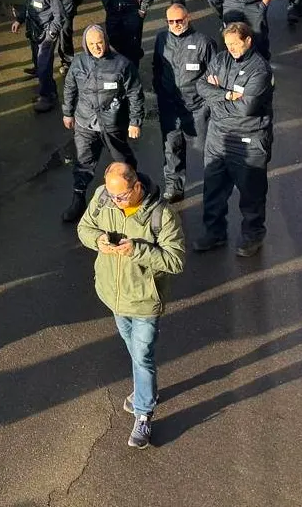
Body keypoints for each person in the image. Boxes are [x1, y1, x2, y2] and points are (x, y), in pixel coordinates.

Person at [76, 162, 185, 449]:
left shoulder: (162, 215)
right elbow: (84, 228)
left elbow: (175, 261)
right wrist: (98, 240)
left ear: (137, 186)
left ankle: (143, 413)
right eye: (112, 196)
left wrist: (138, 250)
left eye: (121, 196)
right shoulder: (103, 197)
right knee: (133, 348)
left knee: (142, 355)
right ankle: (144, 392)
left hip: (144, 302)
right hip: (113, 296)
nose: (115, 201)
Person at [193, 23, 273, 257]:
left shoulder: (260, 70)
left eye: (236, 44)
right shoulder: (220, 59)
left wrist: (216, 97)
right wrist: (227, 94)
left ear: (248, 41)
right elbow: (201, 85)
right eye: (228, 44)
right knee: (213, 188)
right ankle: (215, 233)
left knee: (251, 193)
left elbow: (247, 108)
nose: (232, 49)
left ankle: (252, 236)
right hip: (218, 136)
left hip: (249, 138)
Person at [61, 25, 143, 223]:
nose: (96, 47)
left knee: (123, 164)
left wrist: (135, 121)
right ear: (85, 45)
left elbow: (135, 93)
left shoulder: (122, 64)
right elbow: (70, 87)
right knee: (83, 163)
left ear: (106, 41)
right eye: (92, 44)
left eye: (99, 43)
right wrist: (67, 113)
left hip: (112, 125)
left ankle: (134, 197)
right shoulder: (79, 63)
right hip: (84, 123)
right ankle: (78, 200)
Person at [152, 5, 216, 202]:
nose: (175, 25)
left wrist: (209, 102)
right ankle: (174, 186)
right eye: (171, 21)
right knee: (171, 148)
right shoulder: (161, 40)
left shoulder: (204, 42)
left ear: (188, 18)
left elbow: (214, 75)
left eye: (179, 20)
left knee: (206, 149)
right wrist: (160, 92)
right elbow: (156, 67)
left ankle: (213, 187)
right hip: (170, 106)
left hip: (197, 107)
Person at [11, 0, 65, 113]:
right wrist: (19, 19)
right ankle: (51, 92)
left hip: (45, 34)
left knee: (43, 67)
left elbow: (60, 15)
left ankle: (47, 98)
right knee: (39, 63)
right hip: (35, 32)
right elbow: (29, 6)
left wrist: (50, 34)